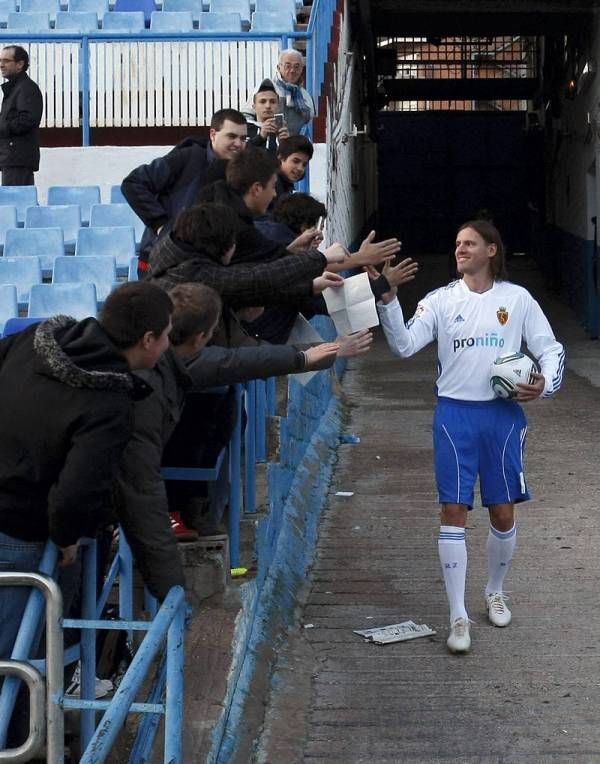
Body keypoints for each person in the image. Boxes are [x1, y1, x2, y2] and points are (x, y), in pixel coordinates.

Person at [377, 219, 565, 654]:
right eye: (457, 243)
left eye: (470, 243)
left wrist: (545, 384)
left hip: (502, 418)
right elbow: (404, 346)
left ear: (492, 250)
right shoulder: (441, 300)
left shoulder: (517, 299)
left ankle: (494, 590)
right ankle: (457, 616)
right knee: (452, 510)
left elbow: (551, 348)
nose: (460, 250)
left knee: (501, 512)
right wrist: (388, 300)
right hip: (453, 416)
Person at [115, 283, 371, 599]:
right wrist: (171, 589)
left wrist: (306, 357)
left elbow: (239, 359)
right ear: (201, 338)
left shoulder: (150, 361)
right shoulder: (152, 383)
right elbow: (236, 361)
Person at [0, 282, 173, 660]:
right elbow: (77, 490)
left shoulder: (31, 338)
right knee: (13, 658)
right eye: (166, 336)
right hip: (17, 530)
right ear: (147, 340)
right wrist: (67, 538)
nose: (167, 346)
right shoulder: (109, 403)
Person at [121, 108, 248, 272]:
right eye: (231, 136)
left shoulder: (241, 172)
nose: (238, 143)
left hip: (208, 265)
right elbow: (133, 183)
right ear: (213, 134)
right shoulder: (186, 157)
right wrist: (161, 225)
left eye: (243, 138)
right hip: (161, 262)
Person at [244, 49, 315, 136]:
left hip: (292, 146)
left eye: (296, 66)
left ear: (302, 69)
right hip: (263, 143)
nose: (292, 70)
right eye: (287, 66)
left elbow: (310, 123)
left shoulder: (305, 96)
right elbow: (246, 117)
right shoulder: (264, 88)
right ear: (278, 67)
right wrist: (259, 133)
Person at [0, 45, 43, 186]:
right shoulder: (17, 88)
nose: (1, 65)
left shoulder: (26, 88)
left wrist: (2, 127)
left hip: (17, 159)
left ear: (20, 64)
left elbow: (27, 120)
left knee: (16, 203)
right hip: (12, 158)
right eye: (0, 61)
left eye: (6, 61)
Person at [246, 79, 289, 153]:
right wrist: (260, 137)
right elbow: (239, 154)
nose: (268, 106)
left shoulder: (284, 130)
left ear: (278, 106)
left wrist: (287, 144)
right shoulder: (245, 128)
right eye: (262, 101)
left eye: (272, 102)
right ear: (254, 106)